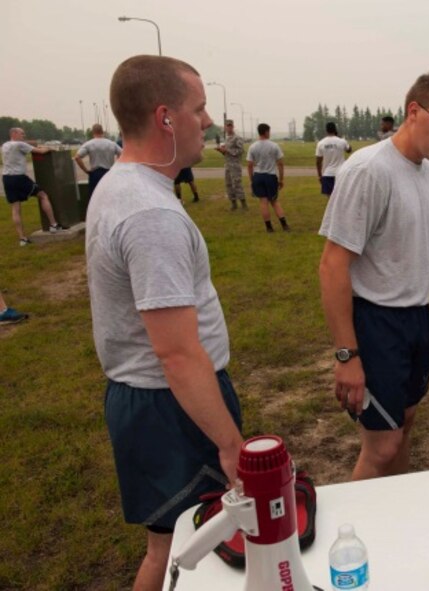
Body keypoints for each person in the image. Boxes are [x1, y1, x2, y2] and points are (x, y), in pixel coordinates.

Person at [86, 54, 244, 591]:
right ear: (165, 118)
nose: (208, 122)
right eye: (198, 109)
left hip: (154, 400)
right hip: (169, 406)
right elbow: (176, 353)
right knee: (188, 551)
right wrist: (228, 442)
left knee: (170, 544)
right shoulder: (150, 214)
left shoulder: (124, 185)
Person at [318, 72, 429, 480]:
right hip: (376, 322)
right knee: (382, 446)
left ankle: (395, 523)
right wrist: (346, 356)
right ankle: (350, 536)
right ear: (414, 112)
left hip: (416, 319)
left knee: (404, 429)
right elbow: (333, 265)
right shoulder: (369, 170)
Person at [2, 128, 66, 246]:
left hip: (7, 178)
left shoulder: (5, 145)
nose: (24, 135)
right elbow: (40, 151)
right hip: (19, 177)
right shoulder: (20, 144)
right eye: (22, 133)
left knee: (15, 208)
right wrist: (50, 148)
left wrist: (31, 143)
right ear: (14, 134)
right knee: (43, 195)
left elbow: (28, 145)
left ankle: (22, 239)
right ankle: (53, 225)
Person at [247, 123, 290, 233]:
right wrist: (281, 179)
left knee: (263, 202)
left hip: (258, 176)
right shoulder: (274, 146)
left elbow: (250, 165)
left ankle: (269, 227)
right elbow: (280, 163)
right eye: (269, 131)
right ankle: (284, 225)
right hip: (270, 176)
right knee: (274, 201)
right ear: (266, 132)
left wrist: (252, 179)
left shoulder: (252, 146)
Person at [74, 123, 122, 194]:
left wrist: (86, 170)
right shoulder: (112, 144)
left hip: (95, 175)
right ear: (103, 132)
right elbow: (123, 153)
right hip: (109, 174)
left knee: (94, 197)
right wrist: (116, 167)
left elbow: (77, 157)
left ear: (93, 132)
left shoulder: (89, 144)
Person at [215, 119, 247, 211]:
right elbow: (226, 153)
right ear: (225, 127)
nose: (229, 127)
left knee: (237, 183)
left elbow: (241, 151)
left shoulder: (237, 138)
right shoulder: (226, 138)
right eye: (227, 126)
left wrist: (227, 150)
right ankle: (234, 204)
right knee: (228, 184)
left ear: (233, 126)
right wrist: (221, 151)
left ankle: (244, 204)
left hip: (235, 165)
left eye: (230, 125)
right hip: (228, 164)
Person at [315, 122, 352, 197]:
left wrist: (319, 175)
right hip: (341, 172)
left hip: (328, 173)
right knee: (342, 196)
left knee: (330, 198)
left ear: (326, 130)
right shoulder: (342, 141)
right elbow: (349, 150)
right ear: (335, 129)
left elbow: (318, 161)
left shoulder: (321, 143)